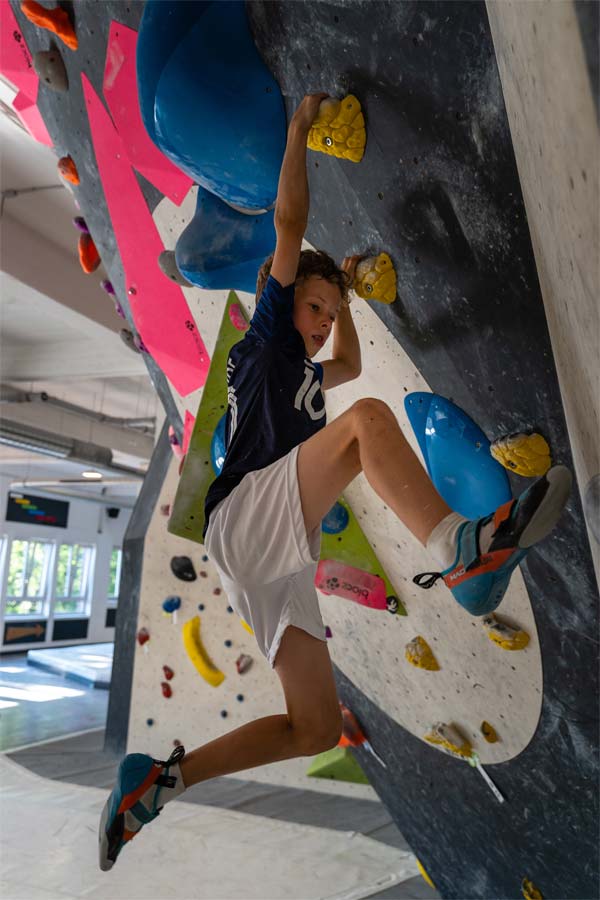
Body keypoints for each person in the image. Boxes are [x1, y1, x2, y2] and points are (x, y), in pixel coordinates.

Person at [99, 94, 571, 871]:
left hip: (266, 557)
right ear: (283, 300)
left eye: (322, 315)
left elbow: (345, 365)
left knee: (312, 728)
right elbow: (289, 228)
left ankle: (159, 780)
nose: (316, 323)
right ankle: (461, 552)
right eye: (311, 309)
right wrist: (294, 135)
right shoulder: (263, 349)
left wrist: (344, 296)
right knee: (366, 425)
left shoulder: (311, 372)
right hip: (247, 521)